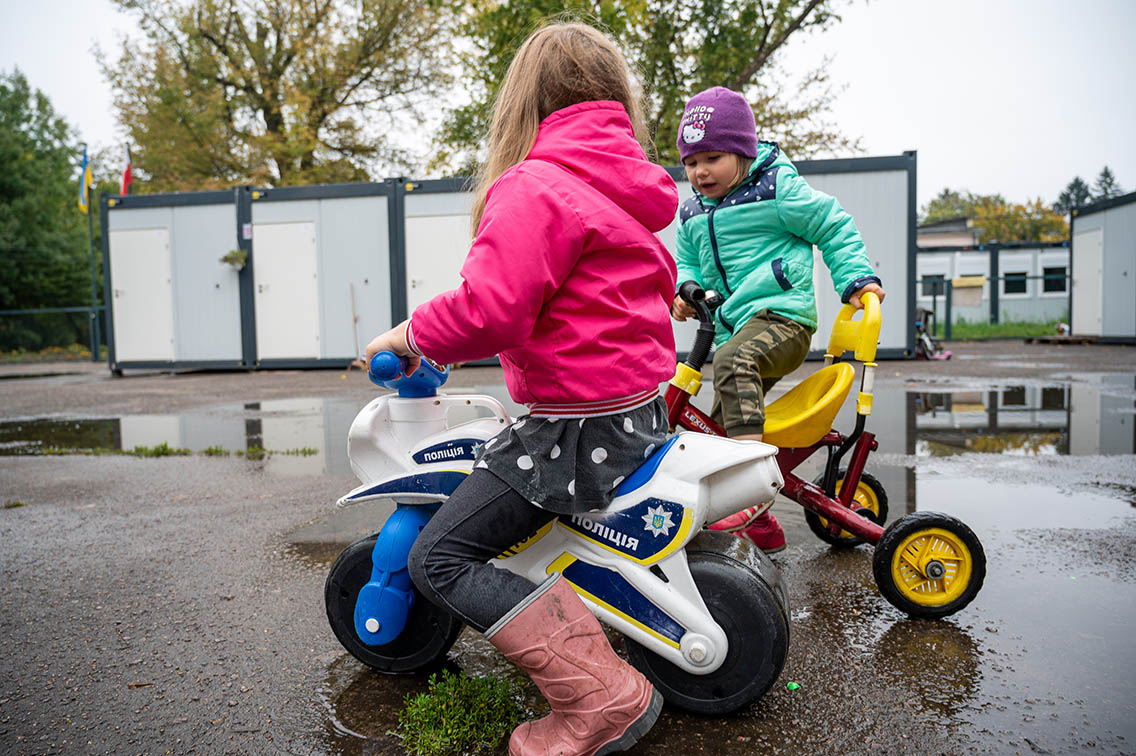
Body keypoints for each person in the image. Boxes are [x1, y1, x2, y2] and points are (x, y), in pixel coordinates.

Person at [364, 23, 677, 756]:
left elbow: (493, 308)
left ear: (523, 102)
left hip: (574, 433)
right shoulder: (629, 189)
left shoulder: (535, 184)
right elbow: (571, 311)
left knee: (438, 559)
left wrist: (409, 335)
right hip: (635, 414)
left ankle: (602, 698)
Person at [671, 86, 885, 553]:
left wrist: (856, 279)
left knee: (732, 364)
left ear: (743, 152)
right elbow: (686, 258)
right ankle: (760, 529)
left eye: (713, 157)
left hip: (783, 319)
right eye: (691, 161)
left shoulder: (775, 189)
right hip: (734, 326)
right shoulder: (691, 210)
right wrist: (684, 289)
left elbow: (832, 224)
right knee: (714, 431)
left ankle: (750, 489)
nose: (700, 171)